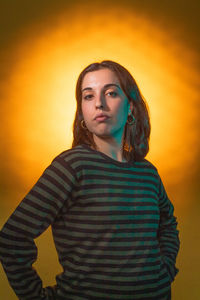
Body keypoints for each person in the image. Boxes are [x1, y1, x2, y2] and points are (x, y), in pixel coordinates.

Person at [0, 60, 180, 300]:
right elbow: (12, 237)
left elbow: (168, 225)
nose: (99, 103)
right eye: (88, 96)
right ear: (82, 110)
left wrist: (164, 270)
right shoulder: (72, 166)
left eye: (111, 93)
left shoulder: (148, 173)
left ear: (131, 108)